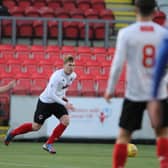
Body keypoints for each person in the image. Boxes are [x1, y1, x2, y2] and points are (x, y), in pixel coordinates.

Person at [104, 0, 168, 167]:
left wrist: (110, 89)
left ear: (135, 10)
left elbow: (118, 64)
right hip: (158, 93)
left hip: (135, 92)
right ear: (155, 12)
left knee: (124, 135)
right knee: (162, 133)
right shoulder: (163, 33)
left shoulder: (126, 33)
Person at [4, 55, 76, 154]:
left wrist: (63, 96)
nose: (71, 67)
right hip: (45, 102)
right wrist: (65, 103)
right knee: (35, 127)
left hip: (57, 102)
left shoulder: (73, 75)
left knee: (66, 120)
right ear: (64, 65)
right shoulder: (57, 76)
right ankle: (13, 133)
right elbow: (51, 94)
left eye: (73, 65)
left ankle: (48, 144)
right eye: (69, 65)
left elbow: (64, 88)